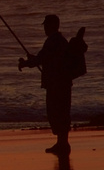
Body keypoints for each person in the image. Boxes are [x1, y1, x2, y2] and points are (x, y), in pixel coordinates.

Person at [19, 14, 86, 155]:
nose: (44, 28)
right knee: (62, 113)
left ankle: (62, 144)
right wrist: (32, 60)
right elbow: (45, 58)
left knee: (55, 113)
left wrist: (26, 63)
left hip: (56, 84)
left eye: (46, 25)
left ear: (51, 26)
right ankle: (62, 144)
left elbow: (42, 58)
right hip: (63, 83)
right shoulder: (60, 41)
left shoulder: (52, 41)